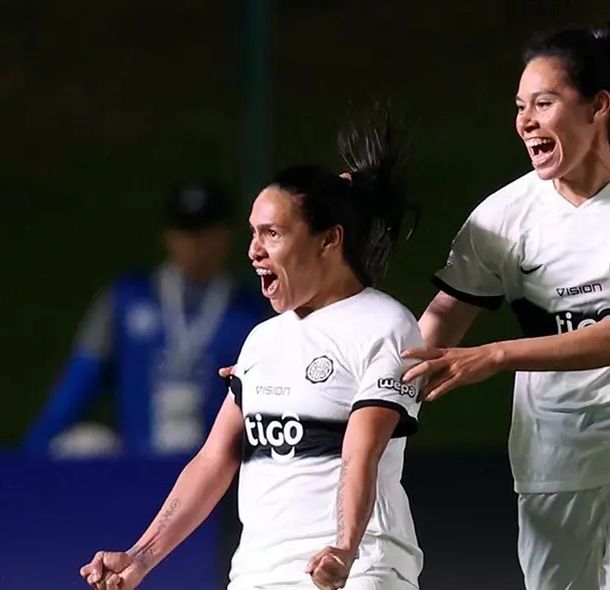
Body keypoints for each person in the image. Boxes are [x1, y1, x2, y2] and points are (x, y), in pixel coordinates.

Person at [401, 23, 610, 590]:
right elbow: (431, 332)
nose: (525, 121)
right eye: (520, 107)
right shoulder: (501, 218)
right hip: (555, 462)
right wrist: (339, 366)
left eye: (544, 103)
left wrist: (498, 354)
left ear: (597, 106)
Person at [79, 108, 425, 590]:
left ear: (329, 240)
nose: (253, 250)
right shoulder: (264, 339)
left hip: (357, 571)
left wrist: (345, 549)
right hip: (258, 576)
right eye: (252, 233)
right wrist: (140, 557)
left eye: (273, 234)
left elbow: (361, 450)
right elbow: (214, 459)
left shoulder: (385, 325)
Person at [24, 181, 269, 458]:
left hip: (222, 478)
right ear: (167, 235)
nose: (195, 243)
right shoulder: (125, 301)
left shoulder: (253, 313)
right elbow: (76, 386)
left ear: (227, 235)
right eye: (185, 231)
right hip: (139, 473)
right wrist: (30, 458)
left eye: (206, 231)